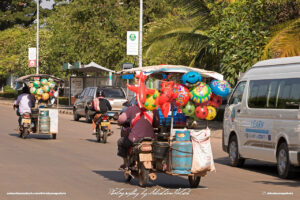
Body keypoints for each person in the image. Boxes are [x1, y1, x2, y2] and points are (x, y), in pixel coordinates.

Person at [117, 103, 160, 169]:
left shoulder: (132, 108)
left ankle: (125, 163)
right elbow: (157, 124)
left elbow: (121, 119)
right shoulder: (154, 109)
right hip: (150, 139)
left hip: (135, 139)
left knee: (120, 141)